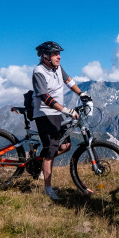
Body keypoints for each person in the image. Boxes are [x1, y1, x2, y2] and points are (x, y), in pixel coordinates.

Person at [30, 41, 89, 201]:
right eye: (55, 54)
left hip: (57, 113)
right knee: (51, 150)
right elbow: (45, 97)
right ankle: (48, 189)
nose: (59, 56)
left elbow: (68, 80)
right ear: (45, 56)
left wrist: (81, 94)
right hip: (45, 113)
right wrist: (66, 110)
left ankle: (40, 161)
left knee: (65, 146)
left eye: (59, 53)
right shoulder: (39, 71)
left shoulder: (56, 68)